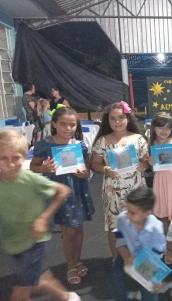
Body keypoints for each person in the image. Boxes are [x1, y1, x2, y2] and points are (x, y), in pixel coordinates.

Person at [0, 129, 81, 301]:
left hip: (34, 240)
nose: (10, 164)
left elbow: (62, 191)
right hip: (13, 240)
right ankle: (67, 297)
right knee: (39, 279)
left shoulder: (29, 179)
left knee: (20, 293)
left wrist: (43, 218)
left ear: (24, 157)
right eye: (3, 158)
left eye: (16, 158)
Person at [30, 106, 94, 285]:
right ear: (55, 124)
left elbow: (86, 169)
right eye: (63, 124)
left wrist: (84, 173)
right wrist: (44, 168)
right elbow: (33, 166)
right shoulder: (45, 144)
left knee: (79, 229)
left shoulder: (79, 145)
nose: (68, 128)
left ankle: (78, 259)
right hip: (59, 191)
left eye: (72, 125)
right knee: (68, 230)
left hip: (78, 189)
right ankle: (71, 265)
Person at [90, 101, 149, 257]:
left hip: (136, 189)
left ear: (128, 118)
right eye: (113, 118)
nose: (117, 122)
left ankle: (139, 258)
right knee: (114, 227)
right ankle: (117, 258)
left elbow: (148, 160)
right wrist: (104, 169)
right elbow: (94, 164)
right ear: (107, 121)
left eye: (121, 117)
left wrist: (143, 165)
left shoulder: (138, 139)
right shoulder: (102, 140)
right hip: (113, 191)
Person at [112, 186, 166, 301]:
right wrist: (126, 256)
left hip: (149, 260)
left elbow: (158, 252)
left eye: (132, 212)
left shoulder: (156, 227)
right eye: (127, 210)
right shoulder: (122, 218)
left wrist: (140, 262)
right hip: (127, 254)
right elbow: (118, 237)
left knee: (150, 288)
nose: (128, 215)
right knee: (117, 274)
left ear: (147, 213)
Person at [149, 112, 172, 233]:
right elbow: (150, 164)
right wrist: (150, 161)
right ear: (154, 127)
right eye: (160, 127)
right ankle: (166, 242)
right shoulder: (152, 143)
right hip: (161, 181)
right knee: (163, 214)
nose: (164, 131)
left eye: (168, 127)